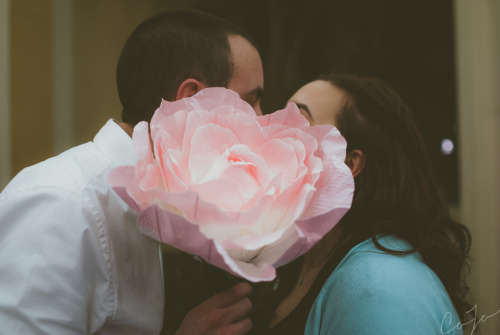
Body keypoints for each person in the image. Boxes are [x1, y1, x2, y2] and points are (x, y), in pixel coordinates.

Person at [0, 10, 263, 334]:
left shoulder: (167, 200)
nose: (262, 122)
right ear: (192, 99)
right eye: (250, 102)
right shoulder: (62, 204)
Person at [252, 73, 472, 334]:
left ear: (348, 164)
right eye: (279, 115)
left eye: (299, 120)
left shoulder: (381, 286)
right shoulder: (294, 262)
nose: (270, 129)